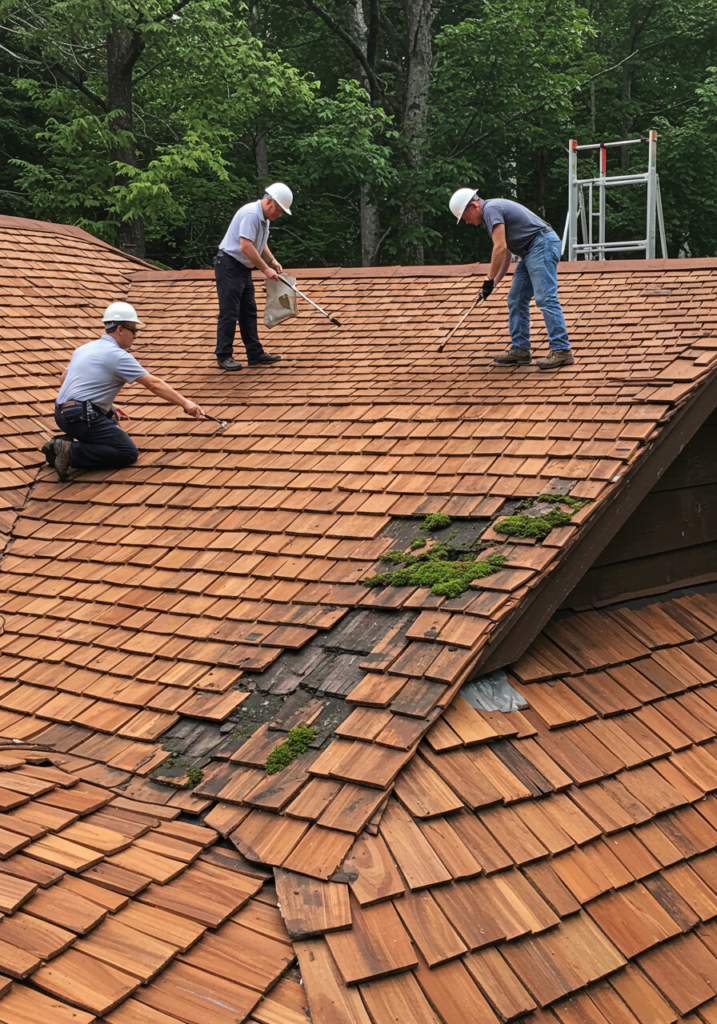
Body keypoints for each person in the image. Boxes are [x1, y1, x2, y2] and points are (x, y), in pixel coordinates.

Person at [44, 302, 203, 481]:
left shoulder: (84, 349)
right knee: (127, 452)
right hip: (80, 417)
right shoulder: (118, 356)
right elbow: (153, 384)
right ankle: (68, 452)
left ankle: (63, 447)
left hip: (61, 414)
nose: (135, 336)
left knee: (110, 421)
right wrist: (186, 403)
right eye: (134, 330)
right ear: (120, 329)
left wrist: (103, 403)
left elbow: (63, 380)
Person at [449, 188, 574, 369]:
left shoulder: (490, 210)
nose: (466, 222)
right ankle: (520, 350)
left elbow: (499, 248)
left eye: (464, 217)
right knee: (515, 298)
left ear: (473, 205)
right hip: (530, 251)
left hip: (541, 245)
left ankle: (562, 350)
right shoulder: (490, 214)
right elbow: (507, 253)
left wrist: (488, 279)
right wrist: (493, 284)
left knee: (545, 297)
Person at [214, 182, 292, 371]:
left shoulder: (263, 219)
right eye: (279, 210)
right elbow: (246, 246)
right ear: (270, 202)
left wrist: (272, 261)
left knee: (248, 311)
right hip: (229, 265)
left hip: (242, 268)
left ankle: (254, 354)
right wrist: (265, 269)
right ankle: (224, 355)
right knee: (230, 312)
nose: (279, 214)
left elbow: (260, 242)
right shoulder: (251, 214)